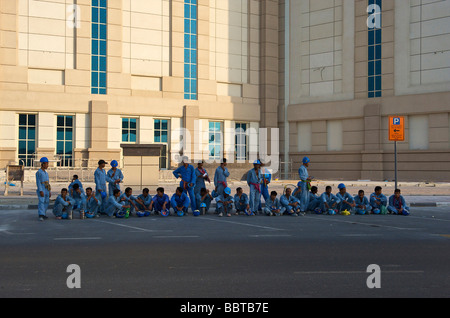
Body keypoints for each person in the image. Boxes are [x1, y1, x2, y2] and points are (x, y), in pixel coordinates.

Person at [36, 157, 51, 221]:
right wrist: (40, 190)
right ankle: (41, 214)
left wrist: (49, 190)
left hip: (46, 188)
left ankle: (44, 213)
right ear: (43, 164)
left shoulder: (46, 173)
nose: (47, 165)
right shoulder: (39, 172)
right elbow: (38, 182)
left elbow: (48, 182)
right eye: (46, 164)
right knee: (42, 201)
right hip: (42, 187)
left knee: (46, 201)